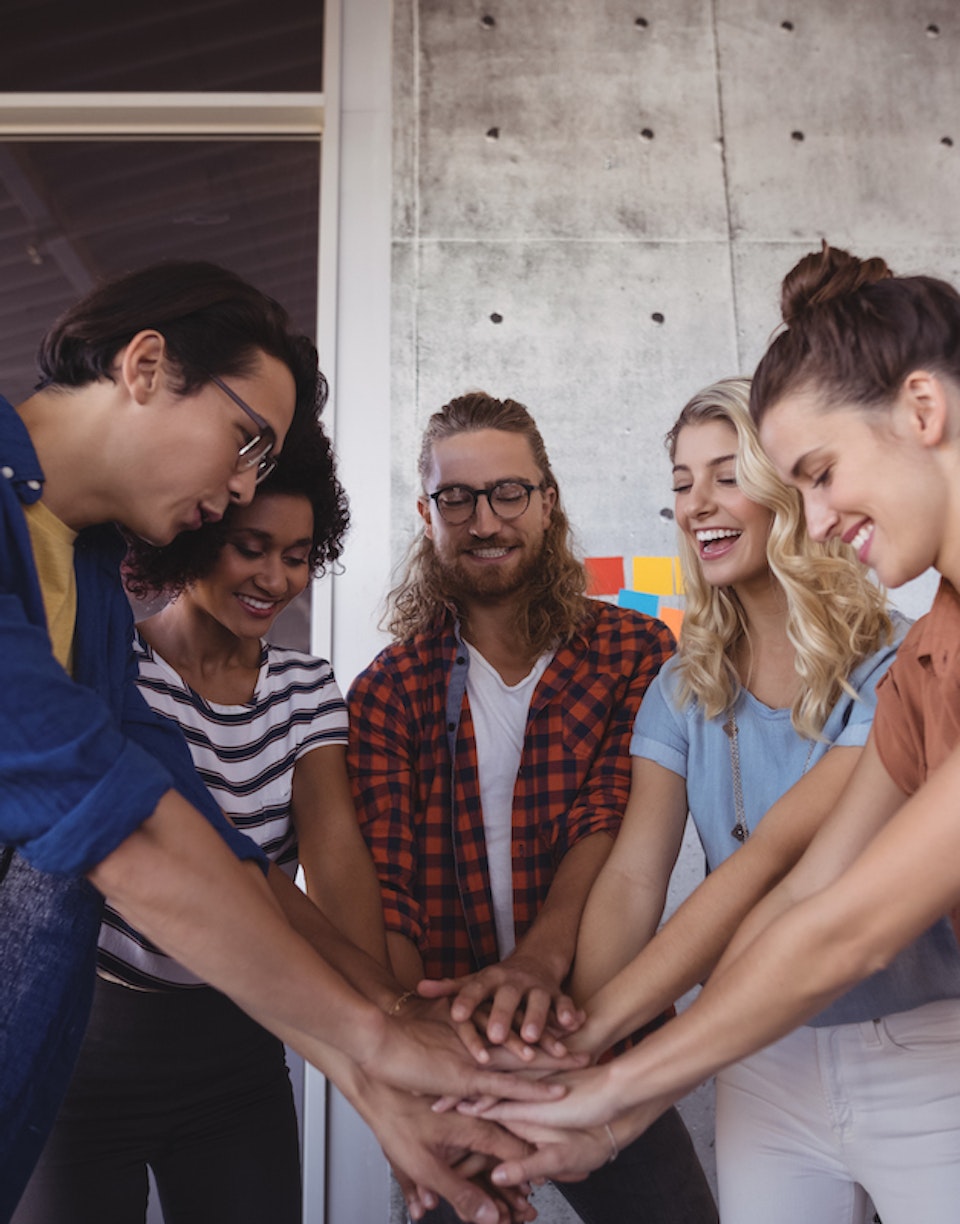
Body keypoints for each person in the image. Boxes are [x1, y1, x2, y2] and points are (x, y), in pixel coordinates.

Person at [0, 262, 562, 1224]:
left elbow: (201, 829)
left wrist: (374, 1055)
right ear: (144, 367)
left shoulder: (86, 572)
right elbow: (116, 832)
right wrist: (379, 1045)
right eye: (246, 439)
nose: (242, 487)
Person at [481, 244, 960, 1224]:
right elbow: (797, 887)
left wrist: (614, 1093)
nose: (820, 519)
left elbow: (838, 919)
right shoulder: (931, 660)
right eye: (680, 483)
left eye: (818, 475)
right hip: (769, 1057)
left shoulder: (896, 654)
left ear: (922, 411)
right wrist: (589, 1058)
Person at [348, 391, 718, 1223]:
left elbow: (613, 825)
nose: (485, 520)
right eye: (458, 498)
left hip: (607, 1037)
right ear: (427, 512)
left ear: (548, 502)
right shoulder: (387, 690)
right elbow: (388, 893)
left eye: (509, 492)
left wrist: (539, 970)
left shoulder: (635, 652)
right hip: (454, 1067)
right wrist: (434, 1054)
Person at [16, 411, 388, 1222]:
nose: (275, 579)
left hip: (237, 1051)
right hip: (92, 1049)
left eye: (297, 557)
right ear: (195, 536)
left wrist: (385, 1010)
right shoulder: (114, 668)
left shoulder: (306, 687)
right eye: (251, 548)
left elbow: (334, 857)